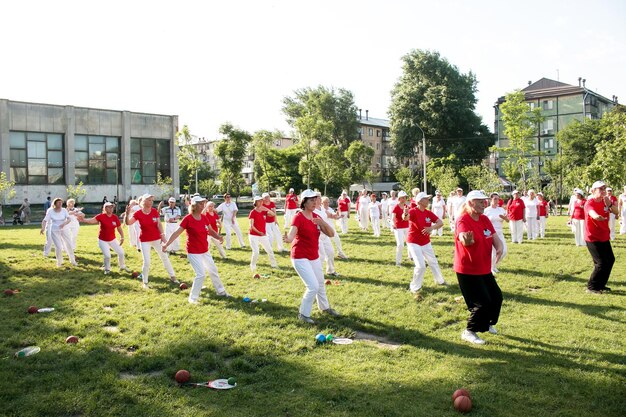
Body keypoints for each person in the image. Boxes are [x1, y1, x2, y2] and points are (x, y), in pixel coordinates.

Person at [454, 190, 504, 345]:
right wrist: (467, 241)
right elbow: (463, 239)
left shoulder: (484, 219)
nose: (484, 204)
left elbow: (494, 237)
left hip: (483, 267)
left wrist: (499, 247)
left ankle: (487, 323)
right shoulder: (463, 220)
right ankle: (469, 331)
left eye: (485, 201)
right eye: (480, 201)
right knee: (481, 303)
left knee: (496, 297)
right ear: (470, 203)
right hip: (467, 269)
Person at [284, 189, 340, 324]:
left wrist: (322, 223)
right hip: (300, 256)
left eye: (315, 200)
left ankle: (325, 308)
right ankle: (303, 314)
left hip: (313, 255)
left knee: (320, 283)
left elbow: (331, 234)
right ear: (304, 202)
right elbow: (292, 235)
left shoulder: (316, 217)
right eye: (311, 200)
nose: (315, 202)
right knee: (313, 286)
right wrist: (288, 238)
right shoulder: (298, 216)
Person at [163, 196, 229, 303]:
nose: (203, 205)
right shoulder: (188, 219)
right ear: (194, 206)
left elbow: (211, 231)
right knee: (201, 274)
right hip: (193, 252)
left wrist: (218, 237)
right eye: (200, 203)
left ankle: (221, 292)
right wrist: (166, 244)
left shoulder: (204, 218)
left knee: (213, 271)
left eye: (203, 203)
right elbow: (176, 233)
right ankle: (193, 298)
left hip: (205, 250)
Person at [124, 193, 177, 289]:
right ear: (144, 202)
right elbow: (128, 223)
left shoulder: (153, 211)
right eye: (149, 200)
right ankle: (145, 282)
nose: (151, 202)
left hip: (157, 239)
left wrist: (162, 236)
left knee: (164, 257)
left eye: (152, 200)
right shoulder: (138, 213)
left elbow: (159, 224)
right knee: (147, 261)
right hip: (145, 240)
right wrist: (127, 214)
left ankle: (173, 277)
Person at [404, 192, 446, 299]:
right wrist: (405, 213)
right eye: (426, 199)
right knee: (421, 266)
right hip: (413, 242)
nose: (428, 200)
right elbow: (406, 218)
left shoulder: (428, 213)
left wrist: (431, 228)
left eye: (428, 198)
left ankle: (440, 281)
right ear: (420, 201)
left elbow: (440, 222)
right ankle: (414, 287)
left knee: (433, 261)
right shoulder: (413, 211)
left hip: (426, 242)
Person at [584, 181, 618, 294]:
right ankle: (591, 287)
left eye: (604, 189)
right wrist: (597, 217)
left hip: (604, 235)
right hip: (592, 237)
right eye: (600, 189)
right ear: (593, 191)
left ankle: (601, 285)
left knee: (610, 260)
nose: (603, 191)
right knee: (601, 263)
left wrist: (609, 205)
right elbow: (591, 212)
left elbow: (617, 212)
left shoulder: (606, 201)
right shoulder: (589, 203)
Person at [78, 202, 127, 274]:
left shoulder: (115, 217)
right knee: (107, 256)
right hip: (102, 240)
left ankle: (122, 266)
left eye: (111, 207)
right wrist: (84, 220)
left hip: (112, 239)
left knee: (121, 252)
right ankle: (107, 269)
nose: (110, 209)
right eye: (108, 207)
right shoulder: (101, 216)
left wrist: (122, 237)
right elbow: (92, 220)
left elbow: (119, 228)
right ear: (105, 208)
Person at [40, 198, 78, 267]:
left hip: (64, 228)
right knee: (58, 247)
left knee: (69, 244)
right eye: (58, 203)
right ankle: (59, 262)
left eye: (61, 203)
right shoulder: (50, 211)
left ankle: (73, 261)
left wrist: (64, 224)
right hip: (54, 230)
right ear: (55, 204)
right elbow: (45, 220)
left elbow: (69, 219)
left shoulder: (64, 210)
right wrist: (42, 228)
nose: (60, 204)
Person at [248, 196, 278, 271]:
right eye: (259, 201)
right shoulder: (253, 212)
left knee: (270, 250)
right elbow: (252, 226)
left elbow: (273, 214)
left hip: (263, 235)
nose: (261, 202)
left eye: (261, 201)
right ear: (255, 203)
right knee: (256, 252)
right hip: (253, 235)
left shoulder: (264, 211)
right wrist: (259, 232)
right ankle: (253, 265)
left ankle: (274, 265)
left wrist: (267, 209)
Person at [314, 194, 339, 276]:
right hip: (317, 236)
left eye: (320, 197)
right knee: (321, 256)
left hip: (326, 234)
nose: (319, 199)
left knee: (330, 252)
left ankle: (331, 271)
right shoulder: (312, 210)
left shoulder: (322, 209)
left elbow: (330, 215)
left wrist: (335, 215)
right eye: (317, 198)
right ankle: (318, 274)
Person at [484, 193, 508, 274]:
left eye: (498, 199)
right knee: (494, 252)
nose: (496, 200)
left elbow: (508, 220)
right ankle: (491, 268)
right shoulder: (486, 210)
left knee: (504, 251)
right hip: (490, 233)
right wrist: (486, 234)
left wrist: (505, 218)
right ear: (491, 199)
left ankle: (494, 265)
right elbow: (483, 223)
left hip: (499, 232)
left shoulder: (501, 209)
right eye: (495, 199)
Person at [391, 191, 411, 266]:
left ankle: (411, 256)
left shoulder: (407, 206)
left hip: (407, 227)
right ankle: (398, 262)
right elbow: (393, 217)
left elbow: (409, 216)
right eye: (403, 197)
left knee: (410, 243)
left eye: (405, 197)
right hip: (398, 228)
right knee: (400, 245)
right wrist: (393, 224)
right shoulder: (396, 206)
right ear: (399, 198)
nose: (404, 199)